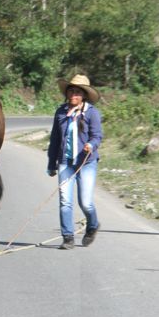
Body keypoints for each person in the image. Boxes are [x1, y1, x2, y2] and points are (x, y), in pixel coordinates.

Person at [46, 74, 104, 250]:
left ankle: (92, 225)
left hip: (86, 163)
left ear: (84, 95)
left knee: (85, 202)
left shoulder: (92, 113)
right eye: (71, 91)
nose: (73, 95)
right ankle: (68, 237)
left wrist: (91, 145)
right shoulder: (61, 112)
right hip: (65, 162)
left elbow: (97, 135)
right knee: (65, 201)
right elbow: (55, 139)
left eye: (78, 92)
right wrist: (51, 163)